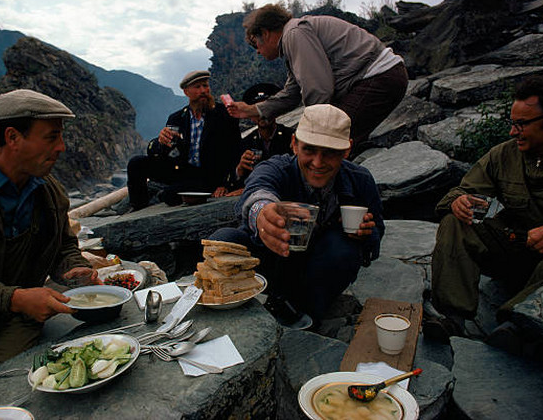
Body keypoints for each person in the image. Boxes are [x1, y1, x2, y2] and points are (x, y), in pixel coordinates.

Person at [0, 89, 99, 392]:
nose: (61, 148)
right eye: (51, 137)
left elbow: (63, 245)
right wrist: (15, 298)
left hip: (16, 320)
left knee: (8, 387)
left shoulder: (48, 191)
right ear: (12, 137)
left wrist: (74, 266)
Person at [425, 77, 543, 351]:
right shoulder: (504, 155)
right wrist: (458, 201)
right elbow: (461, 191)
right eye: (512, 122)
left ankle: (519, 322)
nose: (512, 132)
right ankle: (453, 317)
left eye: (522, 124)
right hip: (515, 251)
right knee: (456, 222)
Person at [209, 104, 384, 326]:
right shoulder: (275, 168)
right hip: (271, 263)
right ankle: (248, 312)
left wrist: (365, 235)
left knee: (344, 248)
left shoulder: (360, 181)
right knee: (224, 241)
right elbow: (257, 191)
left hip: (319, 270)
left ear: (347, 150)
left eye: (330, 153)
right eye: (309, 149)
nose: (318, 163)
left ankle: (307, 315)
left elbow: (377, 232)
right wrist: (263, 214)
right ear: (294, 144)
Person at [225, 4, 408, 155]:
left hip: (377, 77)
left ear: (264, 33)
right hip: (383, 77)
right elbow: (292, 92)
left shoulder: (294, 34)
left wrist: (309, 130)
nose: (257, 51)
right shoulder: (294, 38)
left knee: (325, 142)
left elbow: (319, 89)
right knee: (335, 144)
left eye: (255, 44)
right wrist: (253, 110)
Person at [127, 70, 240, 209]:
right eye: (197, 87)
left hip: (210, 176)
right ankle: (137, 207)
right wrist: (160, 142)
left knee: (170, 196)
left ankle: (172, 193)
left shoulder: (224, 115)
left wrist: (226, 184)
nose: (203, 91)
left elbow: (235, 151)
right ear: (186, 92)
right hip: (183, 170)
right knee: (136, 163)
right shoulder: (177, 118)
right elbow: (161, 153)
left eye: (205, 86)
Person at [228, 83, 295, 191]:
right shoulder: (245, 143)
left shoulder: (291, 137)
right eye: (257, 110)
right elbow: (233, 181)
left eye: (265, 109)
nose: (262, 115)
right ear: (250, 115)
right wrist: (239, 169)